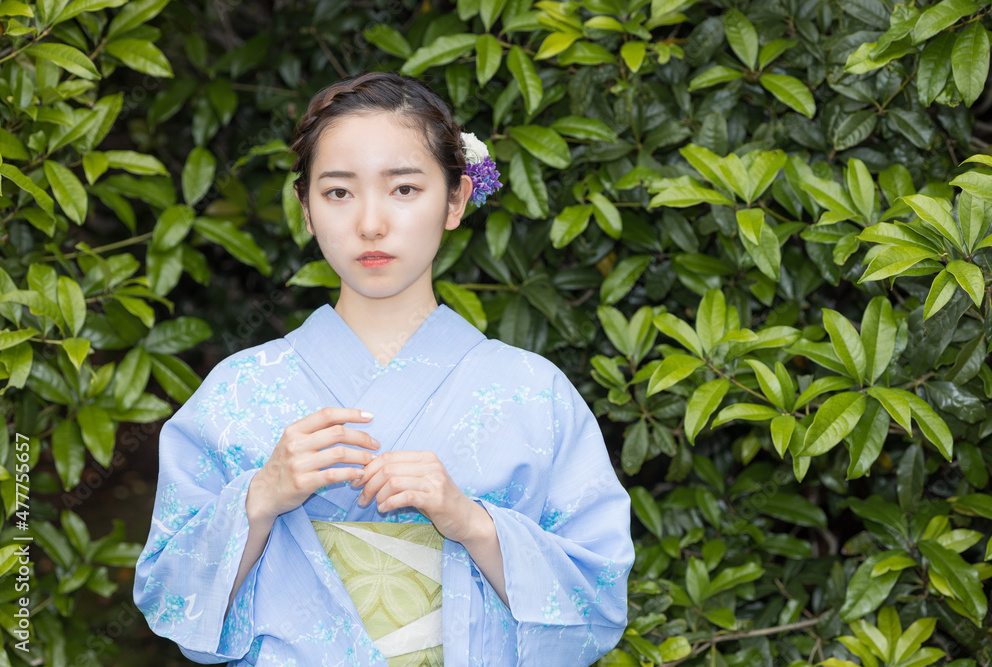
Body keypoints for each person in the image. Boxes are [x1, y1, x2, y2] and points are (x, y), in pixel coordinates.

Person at [132, 70, 634, 666]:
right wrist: (259, 497)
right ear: (307, 209)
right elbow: (167, 598)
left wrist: (471, 522)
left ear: (455, 200)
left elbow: (599, 605)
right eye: (338, 193)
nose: (371, 223)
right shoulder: (239, 388)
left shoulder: (533, 391)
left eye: (403, 188)